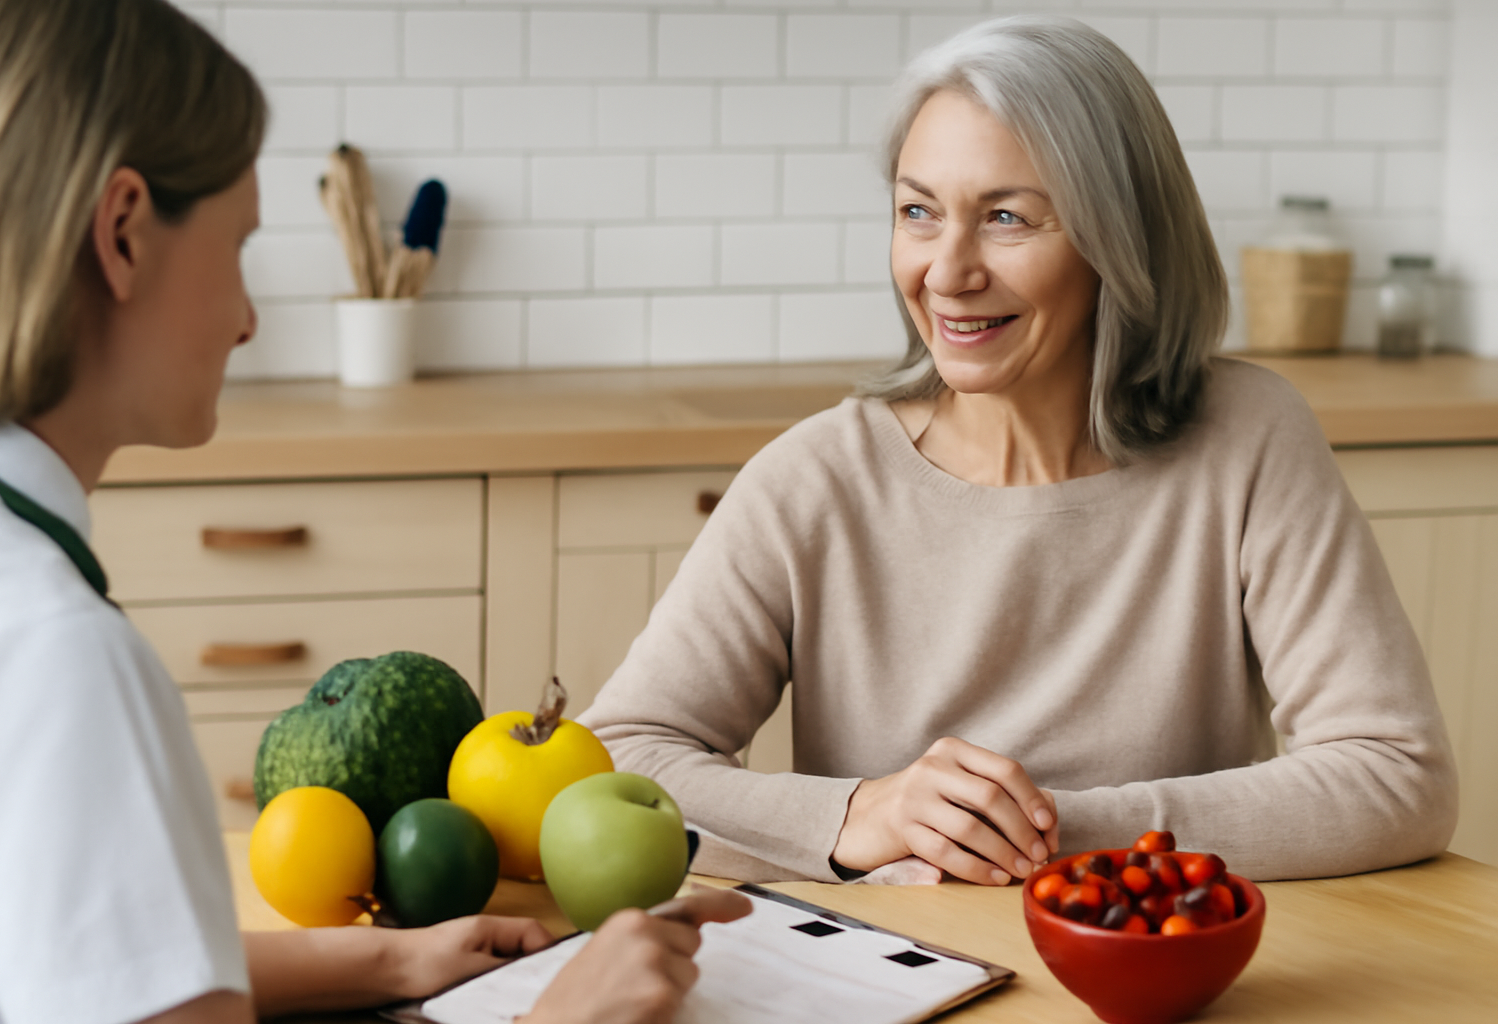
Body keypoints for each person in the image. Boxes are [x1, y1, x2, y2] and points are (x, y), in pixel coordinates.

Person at [0, 2, 747, 1023]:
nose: (247, 320)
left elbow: (68, 954)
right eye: (237, 246)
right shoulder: (57, 654)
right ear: (122, 234)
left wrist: (385, 962)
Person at [580, 15, 1458, 887]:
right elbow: (615, 764)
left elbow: (1395, 774)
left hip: (1155, 978)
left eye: (1006, 218)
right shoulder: (816, 479)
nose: (947, 271)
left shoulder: (1249, 437)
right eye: (918, 212)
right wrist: (857, 814)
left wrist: (1049, 831)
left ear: (1119, 240)